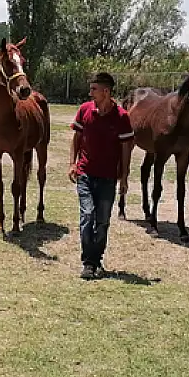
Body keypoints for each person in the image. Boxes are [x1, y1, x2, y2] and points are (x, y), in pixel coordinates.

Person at [68, 72, 134, 280]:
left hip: (108, 178)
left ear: (106, 91)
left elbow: (126, 149)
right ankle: (88, 262)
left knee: (103, 221)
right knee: (87, 215)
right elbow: (76, 138)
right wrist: (72, 163)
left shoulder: (122, 117)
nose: (90, 93)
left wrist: (124, 177)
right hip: (85, 174)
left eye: (94, 89)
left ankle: (97, 260)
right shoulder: (84, 111)